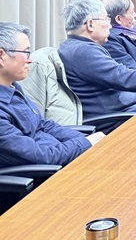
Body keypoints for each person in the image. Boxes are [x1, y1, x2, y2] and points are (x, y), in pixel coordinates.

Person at [0, 22, 104, 168]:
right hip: (47, 173)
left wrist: (86, 139)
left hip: (61, 158)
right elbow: (41, 156)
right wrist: (84, 143)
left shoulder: (13, 88)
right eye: (25, 52)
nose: (30, 59)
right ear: (1, 56)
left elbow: (43, 125)